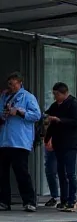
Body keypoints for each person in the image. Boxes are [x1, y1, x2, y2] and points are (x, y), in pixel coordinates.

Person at [0, 72, 41, 212]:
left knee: (21, 172)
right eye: (9, 84)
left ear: (20, 83)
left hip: (20, 140)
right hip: (5, 140)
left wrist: (19, 112)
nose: (11, 86)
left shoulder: (28, 97)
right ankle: (4, 201)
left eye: (13, 84)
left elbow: (36, 115)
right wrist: (4, 114)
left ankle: (29, 201)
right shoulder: (4, 97)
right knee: (2, 173)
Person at [44, 82, 77, 212]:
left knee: (70, 172)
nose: (55, 97)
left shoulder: (74, 105)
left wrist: (60, 120)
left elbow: (76, 122)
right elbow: (50, 122)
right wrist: (47, 138)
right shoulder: (55, 106)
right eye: (54, 94)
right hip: (58, 143)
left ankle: (72, 200)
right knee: (61, 172)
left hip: (71, 144)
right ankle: (64, 199)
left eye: (57, 94)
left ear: (65, 93)